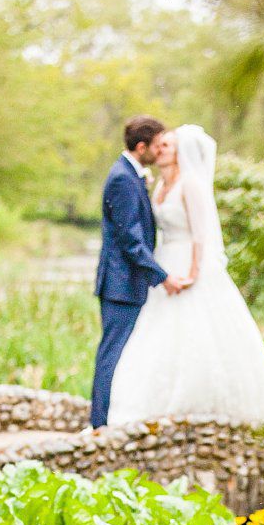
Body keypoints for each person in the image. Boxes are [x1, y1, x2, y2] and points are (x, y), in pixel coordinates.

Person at [107, 124, 264, 426]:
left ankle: (203, 405)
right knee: (158, 333)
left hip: (188, 264)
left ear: (181, 153)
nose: (159, 150)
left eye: (167, 146)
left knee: (197, 330)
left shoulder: (191, 184)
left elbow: (201, 235)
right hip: (165, 263)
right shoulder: (159, 185)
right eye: (159, 146)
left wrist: (194, 272)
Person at [90, 116, 189, 429]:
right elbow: (130, 240)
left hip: (126, 283)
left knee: (124, 353)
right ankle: (100, 424)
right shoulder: (122, 178)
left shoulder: (132, 175)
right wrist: (162, 276)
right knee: (113, 354)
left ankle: (109, 419)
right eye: (155, 146)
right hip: (120, 285)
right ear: (141, 146)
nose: (158, 152)